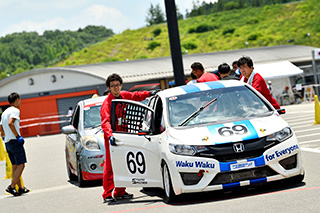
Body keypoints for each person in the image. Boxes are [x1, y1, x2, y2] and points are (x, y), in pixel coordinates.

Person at [100, 73, 160, 204]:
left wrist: (149, 94)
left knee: (123, 163)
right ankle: (107, 194)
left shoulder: (124, 95)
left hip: (124, 135)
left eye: (117, 85)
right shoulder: (107, 103)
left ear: (121, 85)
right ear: (109, 88)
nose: (115, 88)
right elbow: (105, 122)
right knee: (110, 166)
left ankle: (120, 191)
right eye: (112, 86)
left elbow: (136, 96)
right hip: (112, 138)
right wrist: (110, 136)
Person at [0, 93, 29, 196]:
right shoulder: (15, 110)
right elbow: (10, 123)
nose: (20, 103)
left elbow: (1, 127)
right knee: (21, 165)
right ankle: (12, 187)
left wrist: (5, 134)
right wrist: (18, 136)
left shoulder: (4, 113)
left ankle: (20, 187)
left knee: (15, 165)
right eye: (20, 100)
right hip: (15, 141)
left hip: (7, 142)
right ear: (17, 100)